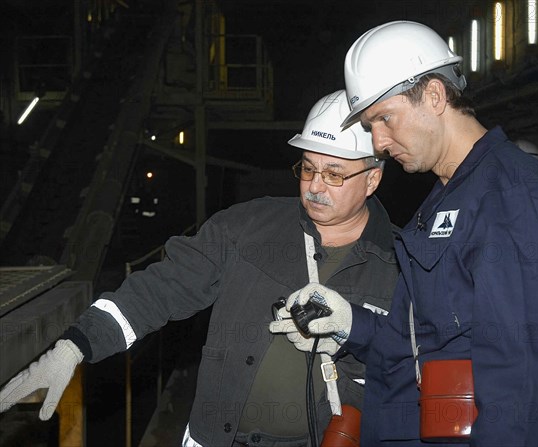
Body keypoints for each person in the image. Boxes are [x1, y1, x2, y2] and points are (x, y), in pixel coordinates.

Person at [0, 90, 400, 447]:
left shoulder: (402, 263)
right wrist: (76, 345)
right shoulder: (246, 227)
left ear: (372, 180)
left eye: (333, 174)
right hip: (216, 438)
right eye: (308, 168)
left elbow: (412, 363)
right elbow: (163, 287)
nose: (314, 186)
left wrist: (350, 339)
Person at [272, 21, 538, 446]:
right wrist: (347, 325)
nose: (378, 142)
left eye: (384, 118)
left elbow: (523, 388)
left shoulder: (510, 198)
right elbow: (422, 339)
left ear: (434, 95)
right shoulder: (444, 197)